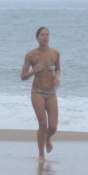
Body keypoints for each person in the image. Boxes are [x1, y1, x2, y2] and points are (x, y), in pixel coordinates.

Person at [21, 26, 61, 162]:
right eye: (42, 35)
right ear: (37, 38)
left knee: (53, 127)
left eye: (47, 35)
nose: (45, 37)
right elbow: (23, 76)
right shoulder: (31, 55)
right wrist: (33, 71)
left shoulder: (55, 53)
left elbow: (58, 69)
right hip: (37, 92)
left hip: (51, 92)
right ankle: (41, 155)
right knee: (43, 124)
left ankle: (47, 138)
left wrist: (56, 77)